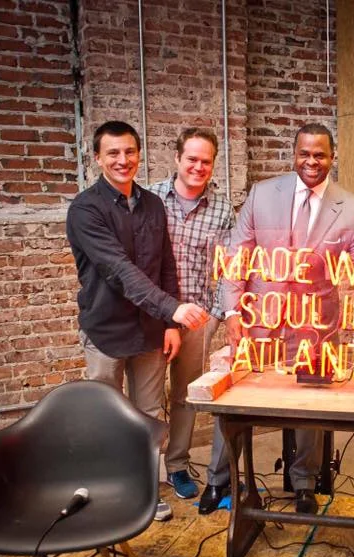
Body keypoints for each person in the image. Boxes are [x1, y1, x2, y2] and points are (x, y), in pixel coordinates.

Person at [199, 123, 354, 515]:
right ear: (294, 154)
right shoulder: (262, 194)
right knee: (233, 401)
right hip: (258, 322)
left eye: (320, 154)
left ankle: (304, 482)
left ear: (332, 157)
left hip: (315, 326)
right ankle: (219, 479)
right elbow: (236, 257)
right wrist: (233, 312)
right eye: (304, 153)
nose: (311, 161)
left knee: (310, 406)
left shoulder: (351, 208)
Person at [66, 120, 210, 523]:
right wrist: (173, 309)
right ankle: (109, 493)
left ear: (139, 155)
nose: (122, 160)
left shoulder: (152, 204)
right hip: (105, 331)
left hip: (149, 330)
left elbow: (165, 267)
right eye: (112, 153)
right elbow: (118, 269)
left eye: (129, 151)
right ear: (98, 158)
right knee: (106, 416)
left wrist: (168, 324)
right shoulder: (85, 209)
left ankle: (146, 491)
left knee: (149, 416)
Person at [147, 128, 235, 500]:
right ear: (177, 158)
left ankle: (177, 466)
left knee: (186, 395)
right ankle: (144, 474)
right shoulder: (150, 198)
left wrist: (216, 314)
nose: (198, 167)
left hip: (199, 318)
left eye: (206, 161)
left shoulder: (222, 208)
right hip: (153, 316)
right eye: (192, 159)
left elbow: (229, 265)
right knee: (148, 400)